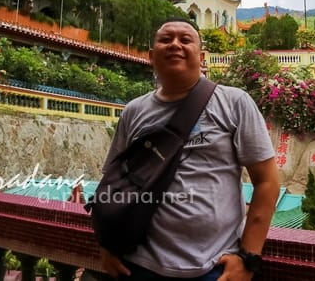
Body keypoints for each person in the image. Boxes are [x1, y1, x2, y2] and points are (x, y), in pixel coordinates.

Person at [99, 18, 280, 280]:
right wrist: (107, 245)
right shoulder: (134, 112)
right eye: (165, 39)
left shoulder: (234, 102)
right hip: (139, 264)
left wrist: (248, 257)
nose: (175, 44)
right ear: (151, 56)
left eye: (185, 40)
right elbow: (113, 181)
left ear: (201, 54)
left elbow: (267, 182)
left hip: (212, 267)